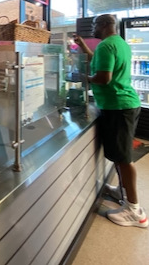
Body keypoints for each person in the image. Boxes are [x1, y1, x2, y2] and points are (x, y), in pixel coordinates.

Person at [74, 14, 148, 228]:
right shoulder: (118, 43)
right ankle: (123, 192)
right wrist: (82, 47)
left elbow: (104, 78)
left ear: (106, 25)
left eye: (96, 24)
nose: (93, 28)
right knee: (119, 154)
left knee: (124, 158)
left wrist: (84, 78)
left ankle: (135, 211)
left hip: (119, 106)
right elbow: (97, 61)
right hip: (122, 105)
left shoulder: (107, 46)